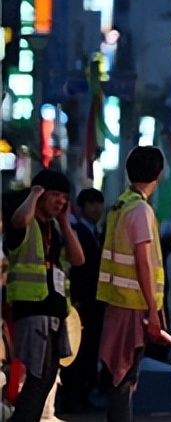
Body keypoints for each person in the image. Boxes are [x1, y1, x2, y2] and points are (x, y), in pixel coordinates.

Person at [4, 170, 86, 422]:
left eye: (64, 197)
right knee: (38, 376)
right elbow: (18, 220)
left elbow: (78, 258)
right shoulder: (25, 226)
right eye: (54, 195)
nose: (60, 201)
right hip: (32, 309)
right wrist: (34, 193)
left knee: (49, 375)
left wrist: (63, 221)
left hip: (55, 310)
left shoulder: (56, 230)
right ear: (39, 195)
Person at [58, 187, 105, 413]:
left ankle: (83, 393)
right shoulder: (76, 232)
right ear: (82, 207)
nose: (96, 209)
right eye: (91, 204)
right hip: (80, 302)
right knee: (77, 350)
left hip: (96, 302)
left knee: (90, 350)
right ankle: (71, 395)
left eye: (98, 204)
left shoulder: (98, 234)